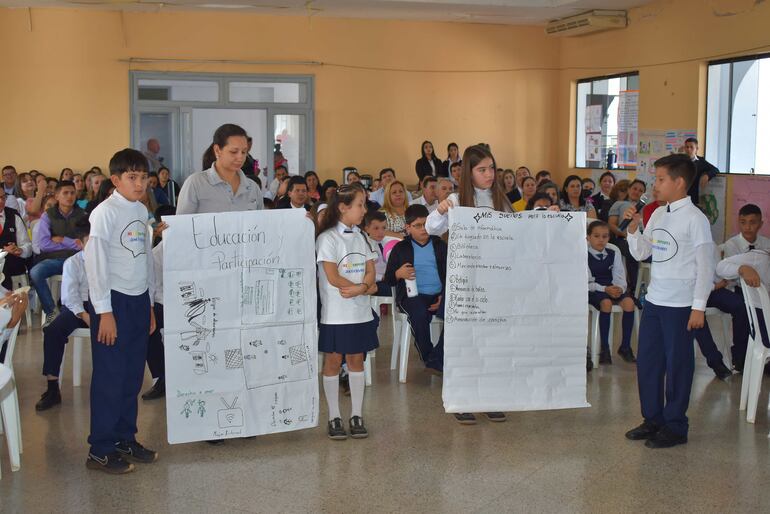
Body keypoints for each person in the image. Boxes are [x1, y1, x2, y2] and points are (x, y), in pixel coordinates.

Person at [623, 153, 715, 448]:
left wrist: (698, 307)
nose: (655, 184)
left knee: (678, 366)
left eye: (661, 179)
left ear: (679, 182)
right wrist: (634, 229)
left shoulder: (696, 219)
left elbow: (706, 266)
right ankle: (653, 419)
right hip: (655, 300)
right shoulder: (659, 214)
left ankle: (676, 425)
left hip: (681, 305)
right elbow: (641, 253)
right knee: (648, 362)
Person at [426, 144, 510, 425]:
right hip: (466, 281)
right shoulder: (457, 199)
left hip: (495, 280)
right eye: (481, 169)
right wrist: (439, 210)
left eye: (492, 168)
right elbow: (431, 228)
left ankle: (488, 396)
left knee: (490, 342)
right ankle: (462, 397)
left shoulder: (501, 200)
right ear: (469, 173)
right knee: (464, 341)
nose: (489, 174)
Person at [84, 148, 157, 474]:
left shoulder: (141, 211)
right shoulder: (105, 213)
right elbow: (95, 263)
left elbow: (145, 260)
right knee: (110, 379)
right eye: (132, 177)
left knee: (131, 377)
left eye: (143, 177)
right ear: (115, 180)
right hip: (112, 303)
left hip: (139, 301)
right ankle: (100, 448)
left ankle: (125, 438)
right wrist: (104, 312)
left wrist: (151, 304)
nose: (139, 183)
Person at [316, 183, 379, 440]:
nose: (364, 210)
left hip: (360, 312)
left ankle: (356, 414)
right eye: (360, 205)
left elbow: (371, 269)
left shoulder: (361, 236)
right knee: (333, 361)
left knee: (356, 361)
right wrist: (361, 287)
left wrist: (362, 287)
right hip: (336, 314)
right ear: (343, 207)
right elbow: (332, 276)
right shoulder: (327, 238)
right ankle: (333, 416)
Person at [35, 218, 91, 411]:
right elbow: (70, 296)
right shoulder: (73, 263)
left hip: (104, 307)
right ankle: (52, 388)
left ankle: (115, 382)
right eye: (90, 243)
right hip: (78, 308)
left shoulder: (110, 260)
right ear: (80, 243)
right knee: (53, 331)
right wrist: (84, 315)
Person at [385, 204, 446, 374]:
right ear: (408, 228)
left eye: (426, 224)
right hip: (412, 296)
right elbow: (389, 279)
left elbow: (451, 274)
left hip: (439, 295)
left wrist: (443, 296)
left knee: (456, 311)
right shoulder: (400, 248)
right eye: (417, 225)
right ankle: (429, 358)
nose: (423, 229)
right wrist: (398, 273)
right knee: (419, 312)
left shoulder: (440, 245)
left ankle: (438, 357)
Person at [31, 181, 88, 327]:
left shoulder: (83, 215)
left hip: (78, 260)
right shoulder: (48, 216)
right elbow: (44, 244)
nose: (70, 196)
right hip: (56, 260)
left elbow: (84, 243)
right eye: (65, 193)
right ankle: (51, 311)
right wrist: (72, 242)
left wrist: (61, 239)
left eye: (72, 193)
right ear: (57, 196)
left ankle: (81, 310)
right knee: (36, 272)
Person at [177, 124, 264, 215]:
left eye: (244, 152)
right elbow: (181, 225)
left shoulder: (253, 188)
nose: (240, 157)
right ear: (217, 150)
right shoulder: (196, 183)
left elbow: (260, 225)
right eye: (233, 152)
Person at [586, 220, 637, 364]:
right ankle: (605, 348)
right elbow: (587, 282)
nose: (601, 240)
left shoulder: (613, 252)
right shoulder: (583, 255)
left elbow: (620, 275)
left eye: (605, 236)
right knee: (606, 303)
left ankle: (625, 346)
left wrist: (619, 288)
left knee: (629, 303)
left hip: (612, 287)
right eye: (596, 236)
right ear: (588, 237)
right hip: (595, 289)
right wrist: (605, 289)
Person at [608, 179, 647, 297]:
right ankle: (634, 288)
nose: (637, 192)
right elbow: (611, 224)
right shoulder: (619, 204)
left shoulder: (644, 208)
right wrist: (625, 234)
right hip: (621, 238)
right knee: (631, 251)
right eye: (635, 188)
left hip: (640, 238)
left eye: (640, 190)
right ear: (629, 189)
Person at [142, 234, 167, 401]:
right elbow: (155, 288)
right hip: (166, 302)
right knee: (147, 324)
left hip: (202, 301)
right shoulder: (159, 253)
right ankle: (161, 378)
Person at [0, 189, 32, 290]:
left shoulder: (13, 215)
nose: (1, 201)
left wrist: (20, 250)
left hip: (13, 265)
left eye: (3, 197)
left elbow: (28, 245)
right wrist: (3, 251)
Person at [363, 210, 398, 297]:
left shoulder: (389, 241)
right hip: (376, 282)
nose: (381, 232)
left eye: (383, 228)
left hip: (392, 277)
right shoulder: (364, 246)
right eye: (376, 228)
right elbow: (364, 270)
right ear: (366, 229)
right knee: (386, 289)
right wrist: (380, 277)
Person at [683, 137, 719, 208]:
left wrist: (707, 175)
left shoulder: (701, 161)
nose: (689, 149)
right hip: (681, 197)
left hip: (694, 199)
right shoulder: (680, 161)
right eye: (687, 147)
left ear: (696, 149)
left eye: (691, 147)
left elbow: (715, 170)